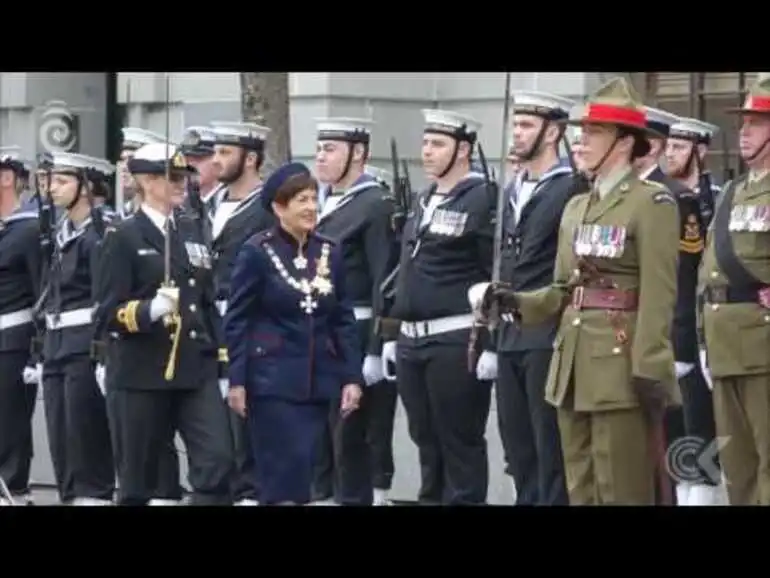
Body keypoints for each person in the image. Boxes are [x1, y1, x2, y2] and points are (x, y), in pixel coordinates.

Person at [480, 77, 680, 505]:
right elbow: (562, 289)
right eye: (581, 132)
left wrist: (649, 366)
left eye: (593, 133)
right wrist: (516, 303)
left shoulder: (652, 203)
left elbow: (660, 294)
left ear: (624, 143)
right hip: (572, 366)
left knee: (621, 487)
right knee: (581, 487)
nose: (581, 141)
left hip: (619, 364)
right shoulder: (576, 206)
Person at [93, 142, 233, 505]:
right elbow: (106, 312)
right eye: (170, 177)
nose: (180, 184)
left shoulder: (191, 231)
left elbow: (206, 302)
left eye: (184, 176)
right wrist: (149, 310)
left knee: (217, 461)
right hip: (142, 370)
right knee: (139, 479)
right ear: (145, 181)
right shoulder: (122, 237)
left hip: (194, 367)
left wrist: (221, 363)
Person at [224, 161, 363, 505]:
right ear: (278, 207)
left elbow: (342, 317)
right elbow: (238, 319)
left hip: (317, 382)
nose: (311, 208)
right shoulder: (257, 251)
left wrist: (351, 377)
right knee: (281, 476)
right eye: (301, 200)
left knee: (306, 474)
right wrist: (237, 379)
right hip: (270, 383)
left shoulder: (329, 251)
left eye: (314, 199)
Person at [381, 109, 495, 505]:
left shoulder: (483, 198)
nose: (426, 152)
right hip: (413, 341)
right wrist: (391, 334)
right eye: (426, 143)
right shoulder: (423, 199)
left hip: (455, 337)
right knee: (425, 440)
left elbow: (493, 274)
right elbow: (405, 271)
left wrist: (491, 342)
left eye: (438, 144)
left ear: (463, 149)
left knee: (459, 441)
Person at [491, 90, 576, 506]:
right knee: (518, 450)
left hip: (546, 332)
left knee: (550, 450)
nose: (517, 134)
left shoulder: (570, 187)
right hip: (507, 334)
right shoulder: (513, 188)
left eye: (526, 126)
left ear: (552, 132)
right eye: (516, 124)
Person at [312, 118, 400, 506]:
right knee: (321, 438)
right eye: (320, 147)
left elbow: (386, 279)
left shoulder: (375, 205)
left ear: (358, 154)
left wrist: (377, 346)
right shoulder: (320, 202)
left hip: (356, 333)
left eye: (331, 148)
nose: (321, 155)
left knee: (353, 437)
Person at [698, 73, 770, 505]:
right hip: (725, 343)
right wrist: (704, 338)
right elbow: (707, 271)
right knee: (737, 467)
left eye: (756, 123)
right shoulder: (732, 192)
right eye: (743, 122)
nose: (743, 131)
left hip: (763, 343)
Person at [41, 152, 116, 505]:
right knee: (61, 438)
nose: (52, 188)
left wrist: (102, 354)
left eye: (62, 181)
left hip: (85, 346)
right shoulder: (61, 232)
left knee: (85, 437)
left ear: (87, 187)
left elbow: (105, 297)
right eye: (52, 180)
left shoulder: (99, 234)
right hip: (57, 346)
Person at [660, 117, 727, 506]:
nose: (671, 153)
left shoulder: (715, 199)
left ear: (701, 152)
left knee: (702, 425)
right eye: (669, 146)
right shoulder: (662, 196)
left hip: (701, 327)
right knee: (674, 426)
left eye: (681, 147)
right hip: (667, 326)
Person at [208, 121, 276, 506]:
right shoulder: (209, 204)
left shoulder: (267, 209)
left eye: (225, 153)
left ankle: (252, 494)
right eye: (215, 153)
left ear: (250, 158)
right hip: (209, 320)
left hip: (248, 321)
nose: (216, 161)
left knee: (245, 413)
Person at [633, 106, 698, 505]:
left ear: (650, 145)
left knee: (672, 444)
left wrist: (681, 343)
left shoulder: (676, 197)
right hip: (624, 339)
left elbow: (685, 277)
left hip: (666, 340)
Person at [0, 147, 41, 506]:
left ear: (7, 178)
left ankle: (14, 488)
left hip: (14, 338)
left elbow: (43, 291)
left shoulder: (28, 230)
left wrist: (36, 348)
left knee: (10, 420)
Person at [666, 118, 722, 226]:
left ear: (700, 151)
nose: (669, 154)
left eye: (678, 147)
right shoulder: (660, 192)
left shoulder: (717, 197)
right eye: (667, 146)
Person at [117, 127, 166, 217]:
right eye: (122, 160)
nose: (124, 167)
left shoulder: (173, 217)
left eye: (131, 159)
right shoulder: (119, 217)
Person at [180, 125, 220, 219]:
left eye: (199, 158)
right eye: (187, 159)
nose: (191, 165)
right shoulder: (183, 205)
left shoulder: (227, 202)